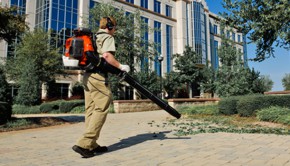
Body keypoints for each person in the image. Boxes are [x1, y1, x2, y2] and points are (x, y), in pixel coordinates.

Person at [72, 17, 130, 158]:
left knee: (91, 110)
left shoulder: (93, 37)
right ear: (110, 26)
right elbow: (107, 55)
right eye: (115, 27)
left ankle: (91, 144)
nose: (115, 30)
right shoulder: (106, 37)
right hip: (98, 77)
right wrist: (121, 66)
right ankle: (84, 143)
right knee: (103, 105)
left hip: (87, 77)